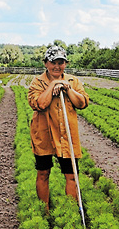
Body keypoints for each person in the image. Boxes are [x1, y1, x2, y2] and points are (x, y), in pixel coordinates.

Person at [28, 45, 90, 212]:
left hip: (67, 135)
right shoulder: (38, 82)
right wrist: (53, 84)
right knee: (43, 173)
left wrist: (66, 88)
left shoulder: (73, 81)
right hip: (44, 135)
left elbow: (82, 103)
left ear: (65, 63)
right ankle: (45, 210)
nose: (57, 66)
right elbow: (40, 104)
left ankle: (70, 211)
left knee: (71, 175)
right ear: (46, 63)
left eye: (60, 62)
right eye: (53, 62)